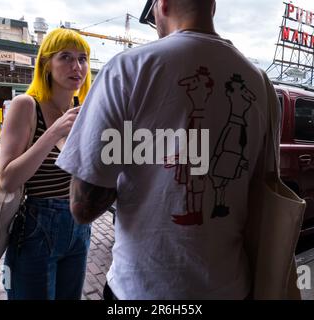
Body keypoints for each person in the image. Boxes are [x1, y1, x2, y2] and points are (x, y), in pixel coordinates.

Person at [57, 0, 279, 299]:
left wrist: (132, 153)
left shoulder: (127, 69)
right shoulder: (262, 85)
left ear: (162, 5)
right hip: (230, 288)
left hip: (142, 289)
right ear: (212, 6)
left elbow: (83, 208)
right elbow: (261, 192)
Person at [0, 28, 92, 300]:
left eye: (83, 58)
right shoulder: (26, 105)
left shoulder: (81, 110)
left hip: (80, 228)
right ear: (46, 64)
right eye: (65, 57)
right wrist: (54, 133)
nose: (77, 67)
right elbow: (7, 179)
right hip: (37, 229)